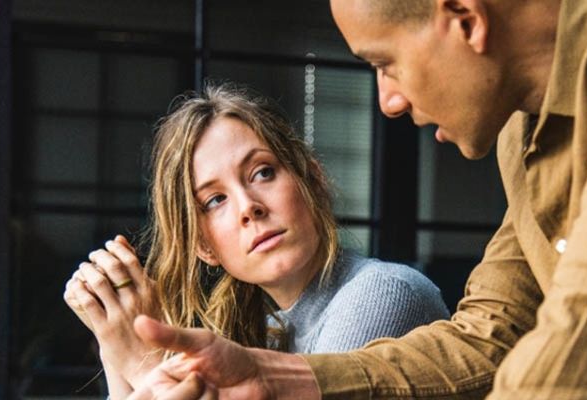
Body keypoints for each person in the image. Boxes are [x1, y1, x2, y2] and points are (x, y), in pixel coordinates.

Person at [122, 0, 587, 398]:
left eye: (385, 63)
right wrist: (275, 377)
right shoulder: (524, 132)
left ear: (465, 18)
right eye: (211, 202)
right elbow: (491, 333)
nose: (387, 101)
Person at [62, 84, 450, 398]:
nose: (248, 207)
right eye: (215, 200)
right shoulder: (265, 336)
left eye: (262, 172)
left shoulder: (384, 294)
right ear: (204, 247)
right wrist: (113, 342)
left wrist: (144, 362)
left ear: (313, 180)